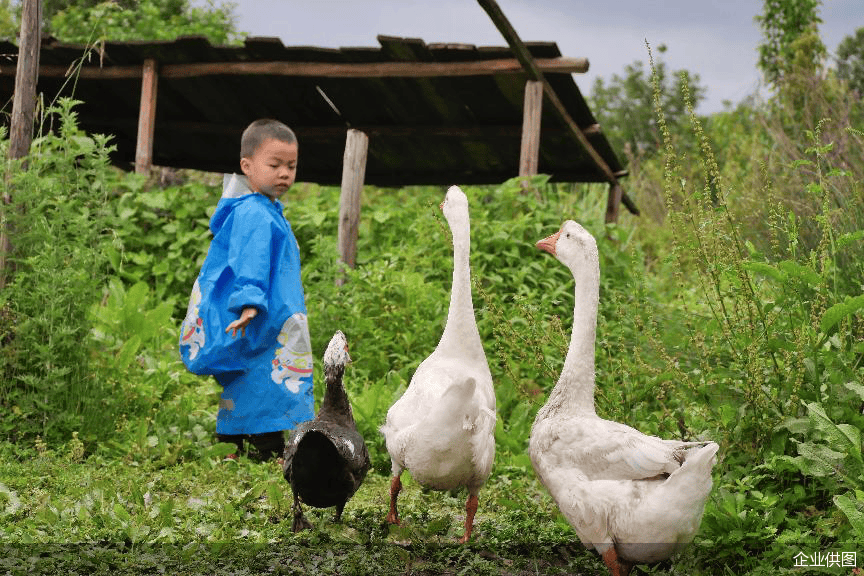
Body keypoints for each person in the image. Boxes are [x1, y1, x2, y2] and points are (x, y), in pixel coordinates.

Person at [179, 119, 314, 461]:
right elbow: (249, 261)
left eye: (291, 166)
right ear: (247, 166)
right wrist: (250, 302)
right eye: (275, 165)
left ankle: (233, 445)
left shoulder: (264, 209)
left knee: (251, 375)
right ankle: (265, 449)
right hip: (263, 315)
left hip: (272, 312)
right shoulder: (255, 213)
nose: (284, 173)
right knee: (265, 376)